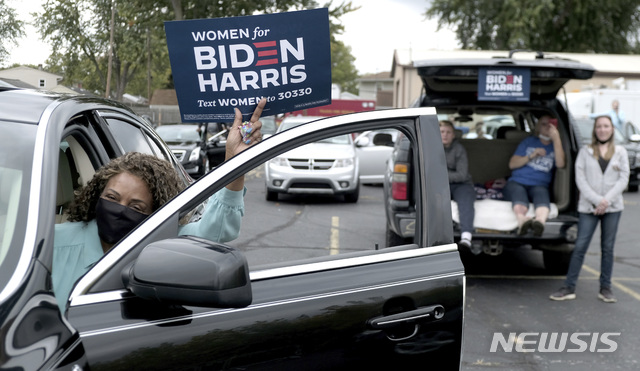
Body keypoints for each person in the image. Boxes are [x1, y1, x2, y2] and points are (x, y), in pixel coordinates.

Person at [52, 98, 266, 311]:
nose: (119, 210)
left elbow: (216, 228)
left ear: (155, 214)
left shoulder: (159, 243)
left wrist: (234, 162)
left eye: (135, 207)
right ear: (96, 195)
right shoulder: (51, 244)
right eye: (112, 198)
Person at [550, 115, 629, 303]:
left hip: (612, 208)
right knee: (579, 247)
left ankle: (605, 288)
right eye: (599, 126)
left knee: (607, 248)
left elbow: (623, 179)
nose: (602, 129)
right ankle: (569, 287)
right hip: (588, 208)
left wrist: (605, 201)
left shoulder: (620, 152)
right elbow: (580, 179)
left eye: (606, 126)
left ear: (611, 129)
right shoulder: (585, 152)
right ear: (595, 130)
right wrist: (596, 200)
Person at [504, 114, 565, 236]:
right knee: (518, 193)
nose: (547, 127)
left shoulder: (556, 145)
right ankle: (522, 220)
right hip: (518, 181)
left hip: (540, 184)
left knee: (541, 196)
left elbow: (560, 164)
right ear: (538, 128)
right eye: (543, 124)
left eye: (550, 125)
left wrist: (556, 139)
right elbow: (512, 164)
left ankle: (540, 222)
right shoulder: (529, 142)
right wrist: (531, 155)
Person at [440, 120, 478, 254]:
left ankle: (466, 239)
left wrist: (440, 174)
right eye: (442, 132)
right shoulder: (430, 149)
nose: (445, 135)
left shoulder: (459, 149)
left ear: (454, 135)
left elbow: (462, 175)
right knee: (434, 201)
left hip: (461, 184)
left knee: (466, 201)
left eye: (448, 132)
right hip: (439, 185)